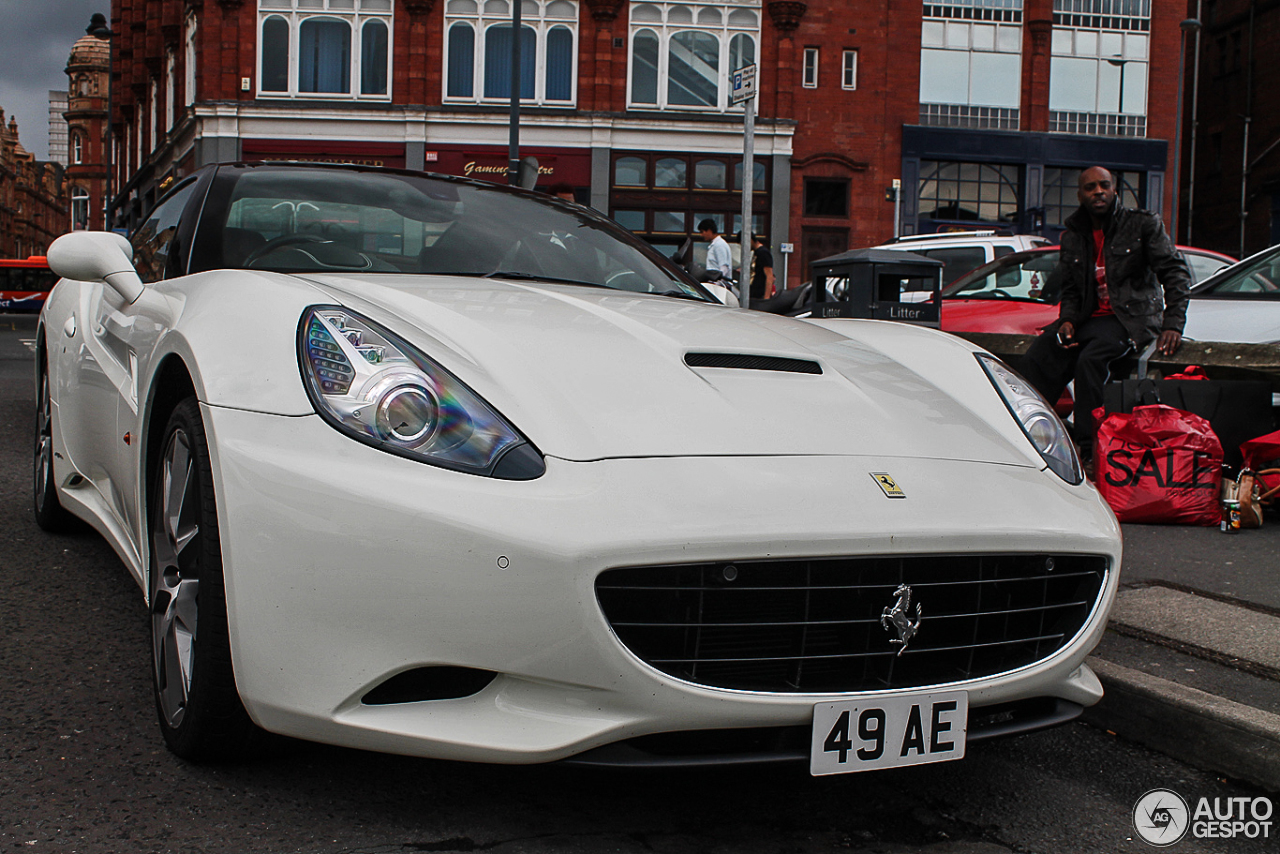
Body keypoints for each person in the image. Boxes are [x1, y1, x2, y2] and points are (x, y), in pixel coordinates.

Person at [1019, 166, 1191, 461]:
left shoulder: (1142, 224)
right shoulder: (1074, 235)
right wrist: (1069, 321)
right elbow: (1072, 289)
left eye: (1104, 185)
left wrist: (1173, 323)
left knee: (1091, 360)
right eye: (1090, 187)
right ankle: (1024, 431)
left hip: (1130, 319)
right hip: (1089, 319)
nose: (1098, 191)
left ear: (1114, 191)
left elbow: (1175, 273)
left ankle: (1089, 447)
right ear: (1080, 195)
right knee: (1042, 352)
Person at [750, 234, 775, 299]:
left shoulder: (763, 253)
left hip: (759, 294)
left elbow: (769, 276)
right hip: (754, 292)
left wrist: (766, 297)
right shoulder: (757, 252)